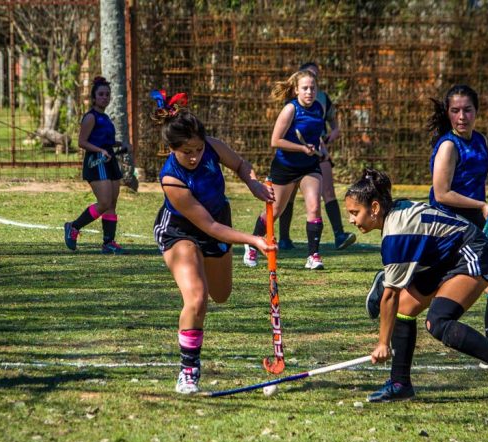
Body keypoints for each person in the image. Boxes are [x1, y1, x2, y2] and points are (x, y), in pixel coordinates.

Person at [368, 85, 488, 369]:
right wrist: (481, 205)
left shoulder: (479, 140)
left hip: (474, 220)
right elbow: (441, 193)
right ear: (448, 113)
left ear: (476, 111)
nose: (462, 116)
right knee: (427, 296)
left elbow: (481, 165)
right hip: (448, 223)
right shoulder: (449, 146)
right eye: (455, 111)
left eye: (468, 110)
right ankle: (391, 281)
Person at [345, 169, 488, 402]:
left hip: (472, 253)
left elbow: (390, 297)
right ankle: (400, 384)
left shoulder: (395, 236)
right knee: (404, 309)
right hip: (443, 259)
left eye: (355, 213)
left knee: (438, 321)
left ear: (374, 208)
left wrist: (383, 344)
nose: (351, 220)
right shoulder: (396, 210)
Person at [150, 96, 276, 394]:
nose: (194, 157)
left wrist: (253, 183)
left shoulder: (212, 146)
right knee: (197, 297)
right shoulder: (171, 178)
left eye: (198, 149)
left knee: (220, 294)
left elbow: (241, 164)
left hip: (219, 221)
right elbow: (208, 226)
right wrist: (253, 240)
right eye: (186, 152)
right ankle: (188, 371)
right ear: (171, 149)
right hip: (181, 231)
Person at [243, 69, 328, 270]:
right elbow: (276, 141)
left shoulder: (319, 107)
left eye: (313, 88)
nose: (309, 92)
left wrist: (322, 149)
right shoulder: (290, 109)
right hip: (286, 167)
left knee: (314, 207)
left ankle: (313, 256)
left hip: (309, 166)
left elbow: (316, 135)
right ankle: (252, 243)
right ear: (296, 90)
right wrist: (301, 148)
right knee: (275, 211)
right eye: (305, 88)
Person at [276, 62, 356, 251]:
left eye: (314, 79)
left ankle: (338, 235)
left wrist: (332, 134)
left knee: (327, 191)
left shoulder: (322, 101)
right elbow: (285, 135)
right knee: (287, 196)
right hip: (296, 154)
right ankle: (284, 238)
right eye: (307, 79)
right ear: (298, 81)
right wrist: (304, 147)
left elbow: (332, 124)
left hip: (318, 152)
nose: (310, 88)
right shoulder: (292, 103)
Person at [64, 76, 131, 254]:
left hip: (109, 161)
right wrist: (100, 150)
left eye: (107, 94)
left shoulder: (105, 118)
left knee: (112, 203)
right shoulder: (90, 117)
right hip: (96, 162)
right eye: (101, 94)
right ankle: (73, 227)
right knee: (104, 202)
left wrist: (121, 145)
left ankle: (108, 243)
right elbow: (82, 142)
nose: (105, 97)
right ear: (94, 97)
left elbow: (105, 141)